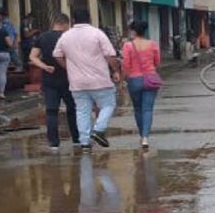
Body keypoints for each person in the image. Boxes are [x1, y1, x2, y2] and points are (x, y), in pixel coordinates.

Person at [53, 8, 122, 152]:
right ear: (89, 18)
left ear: (73, 20)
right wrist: (116, 70)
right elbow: (110, 55)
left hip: (77, 82)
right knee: (108, 104)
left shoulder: (66, 36)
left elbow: (57, 55)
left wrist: (68, 67)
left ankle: (84, 142)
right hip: (99, 80)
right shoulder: (97, 34)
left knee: (82, 111)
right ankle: (99, 129)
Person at [29, 13, 79, 151]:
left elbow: (33, 56)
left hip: (49, 79)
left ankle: (53, 142)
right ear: (64, 24)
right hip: (68, 79)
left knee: (51, 111)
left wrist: (44, 66)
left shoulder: (42, 37)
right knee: (72, 109)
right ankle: (76, 138)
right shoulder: (68, 37)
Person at [122, 20, 162, 149]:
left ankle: (141, 134)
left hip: (134, 80)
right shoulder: (153, 44)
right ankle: (145, 137)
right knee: (148, 109)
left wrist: (125, 79)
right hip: (150, 79)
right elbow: (157, 62)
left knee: (138, 109)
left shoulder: (128, 46)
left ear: (133, 31)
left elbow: (126, 65)